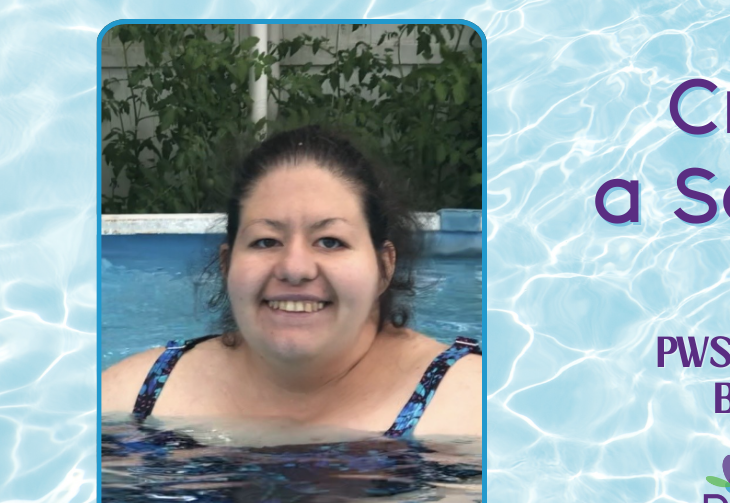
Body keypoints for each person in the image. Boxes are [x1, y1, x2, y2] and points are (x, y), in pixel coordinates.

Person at [102, 126, 482, 439]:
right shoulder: (130, 403)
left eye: (330, 241)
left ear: (384, 267)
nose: (295, 268)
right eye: (266, 241)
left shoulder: (477, 409)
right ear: (227, 264)